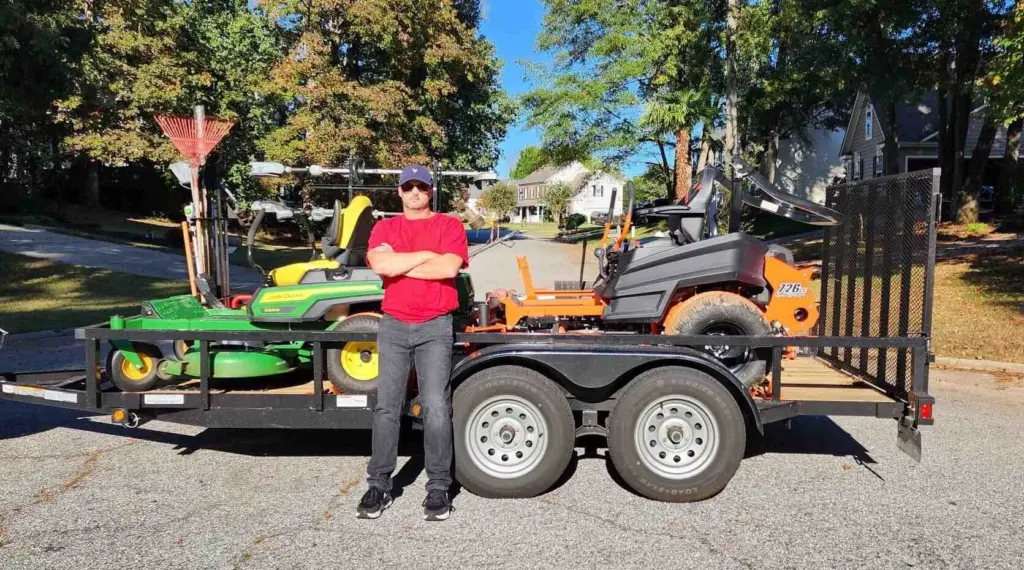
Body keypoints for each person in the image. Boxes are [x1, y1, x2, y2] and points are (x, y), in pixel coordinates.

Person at [355, 163, 469, 522]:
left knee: (436, 407)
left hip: (435, 326)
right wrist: (423, 257)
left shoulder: (448, 225)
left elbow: (448, 269)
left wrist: (399, 263)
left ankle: (438, 488)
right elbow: (379, 264)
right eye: (409, 187)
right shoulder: (385, 226)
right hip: (393, 326)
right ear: (400, 191)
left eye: (421, 186)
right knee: (387, 406)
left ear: (431, 190)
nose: (415, 192)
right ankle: (379, 484)